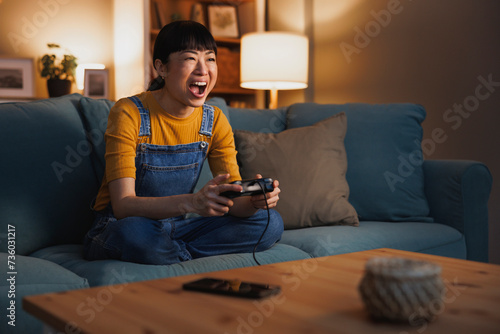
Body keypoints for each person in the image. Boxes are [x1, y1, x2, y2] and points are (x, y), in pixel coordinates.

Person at [83, 20, 283, 265]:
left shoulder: (214, 120)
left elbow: (232, 203)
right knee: (133, 233)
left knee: (270, 222)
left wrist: (254, 203)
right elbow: (123, 205)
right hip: (122, 225)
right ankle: (177, 254)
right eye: (190, 58)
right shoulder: (128, 112)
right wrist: (193, 202)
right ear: (161, 68)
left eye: (210, 59)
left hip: (180, 226)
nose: (203, 70)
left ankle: (171, 253)